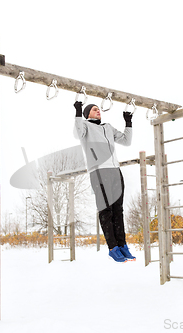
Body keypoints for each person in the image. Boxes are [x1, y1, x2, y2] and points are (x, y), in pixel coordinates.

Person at [73, 100, 136, 263]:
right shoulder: (85, 126)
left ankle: (122, 245)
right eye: (94, 109)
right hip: (99, 171)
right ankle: (113, 247)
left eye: (99, 109)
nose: (98, 111)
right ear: (87, 114)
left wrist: (128, 122)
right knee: (106, 210)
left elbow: (126, 141)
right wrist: (78, 113)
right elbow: (77, 133)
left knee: (118, 210)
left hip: (115, 170)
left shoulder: (108, 127)